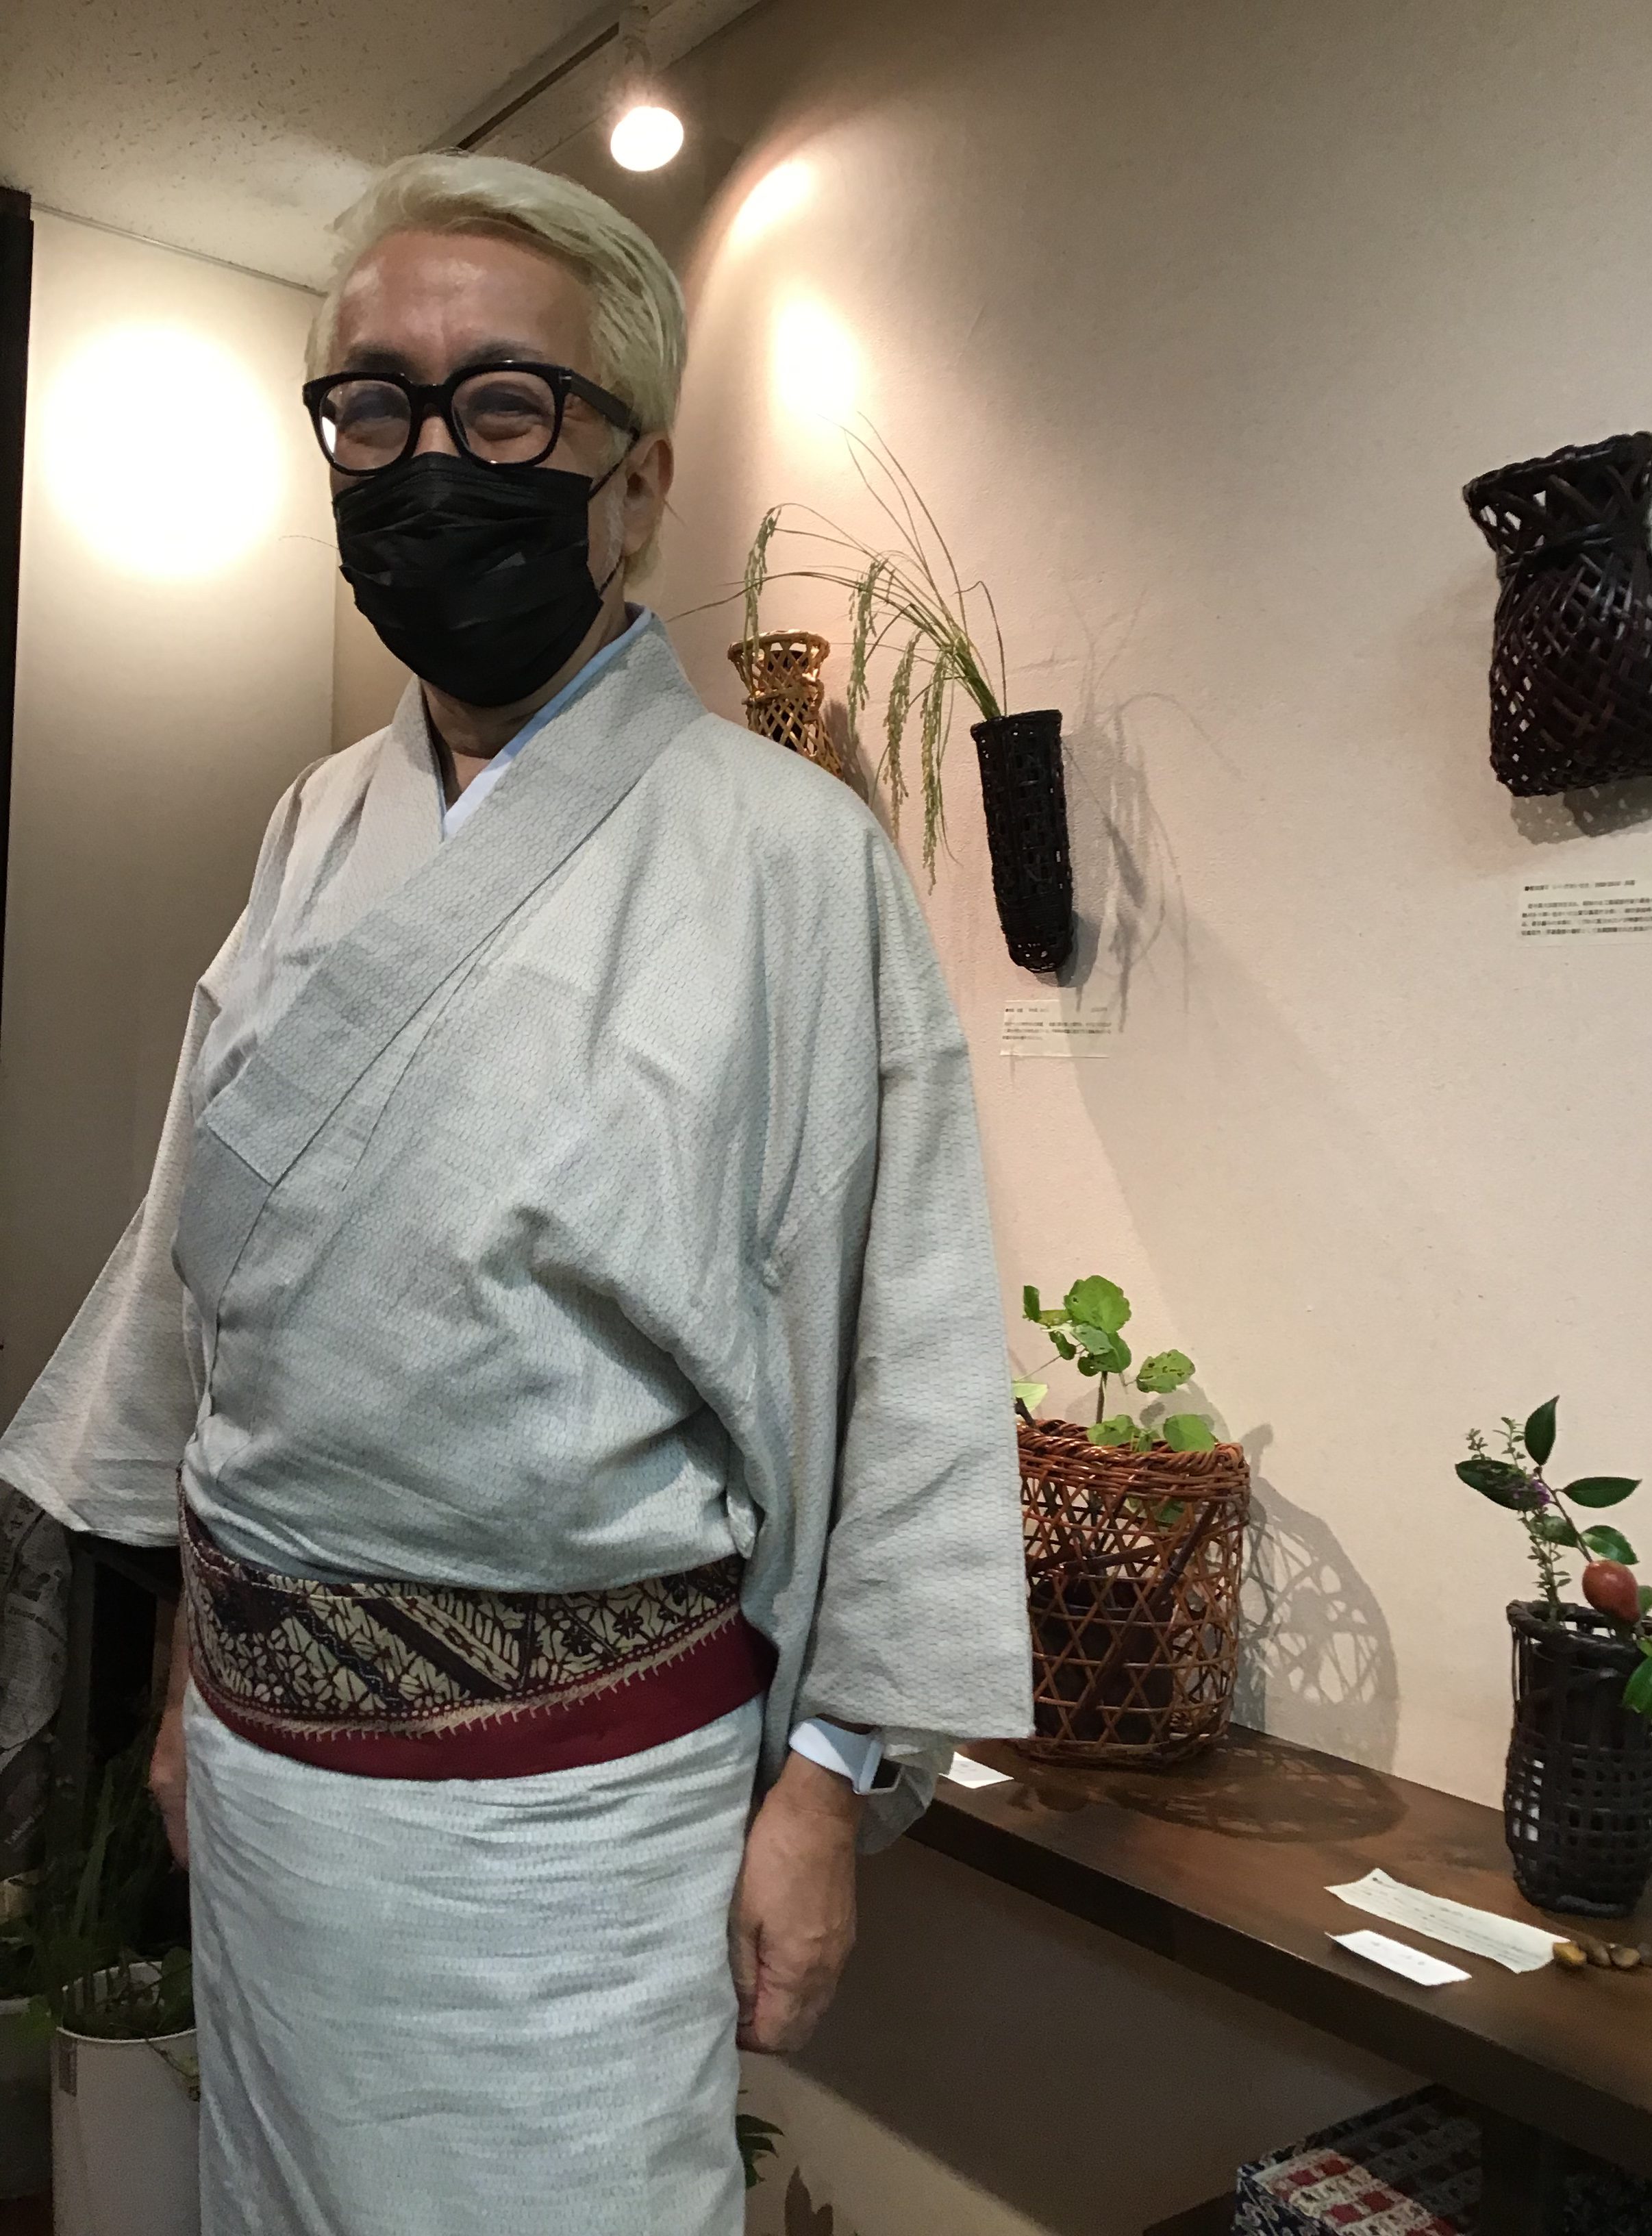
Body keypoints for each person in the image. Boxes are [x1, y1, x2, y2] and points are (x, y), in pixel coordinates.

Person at [0, 152, 1033, 2236]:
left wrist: (825, 1789)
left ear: (636, 479)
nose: (426, 462)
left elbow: (904, 1345)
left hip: (578, 1826)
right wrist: (194, 1674)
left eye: (501, 405)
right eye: (372, 407)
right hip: (270, 1784)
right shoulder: (316, 824)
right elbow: (221, 1293)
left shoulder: (789, 861)